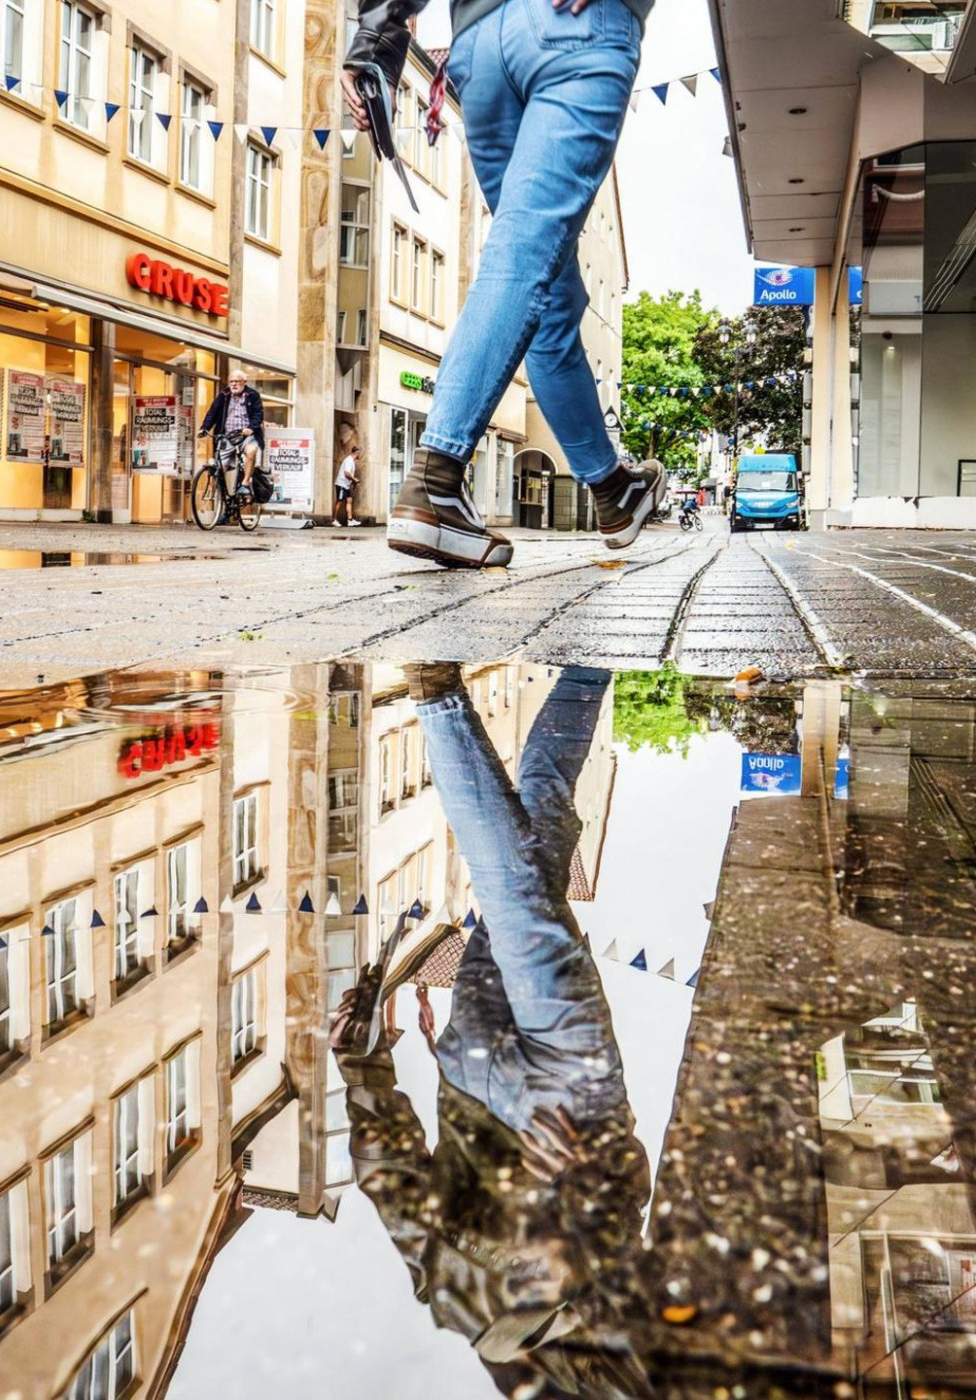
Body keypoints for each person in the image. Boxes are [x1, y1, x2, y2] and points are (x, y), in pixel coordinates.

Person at [330, 662, 654, 1396]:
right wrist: (362, 1068)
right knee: (532, 854)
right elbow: (389, 1178)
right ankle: (588, 657)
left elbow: (630, 1188)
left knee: (519, 891)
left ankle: (440, 697)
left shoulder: (618, 1357)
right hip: (477, 1074)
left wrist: (585, 1177)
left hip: (570, 1101)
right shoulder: (457, 1304)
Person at [343, 0, 661, 569]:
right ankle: (435, 482)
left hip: (479, 44)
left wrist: (376, 38)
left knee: (549, 297)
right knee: (522, 252)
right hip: (575, 27)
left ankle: (612, 489)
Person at [198, 368, 264, 497]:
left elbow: (258, 414)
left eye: (237, 381)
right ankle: (221, 498)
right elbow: (212, 412)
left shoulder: (253, 395)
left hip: (246, 435)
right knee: (219, 467)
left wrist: (251, 427)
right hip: (227, 435)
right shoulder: (224, 395)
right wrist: (205, 428)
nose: (233, 384)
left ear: (244, 382)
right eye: (231, 381)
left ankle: (245, 484)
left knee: (251, 452)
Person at [334, 443, 361, 527]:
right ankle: (334, 520)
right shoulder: (349, 461)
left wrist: (353, 482)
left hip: (346, 485)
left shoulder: (351, 461)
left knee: (349, 500)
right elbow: (347, 473)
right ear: (356, 453)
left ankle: (350, 520)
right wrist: (354, 479)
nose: (359, 456)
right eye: (359, 454)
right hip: (341, 484)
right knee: (339, 501)